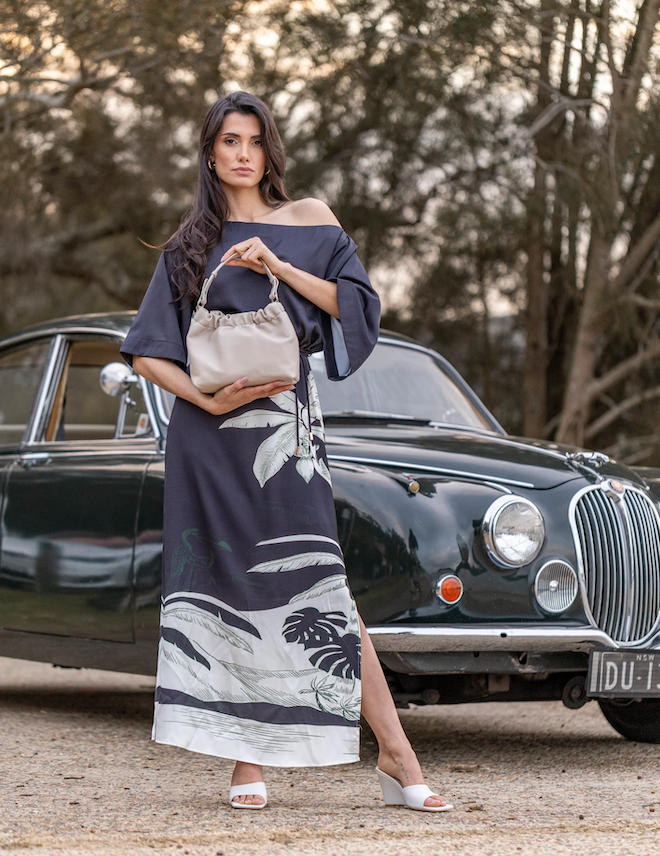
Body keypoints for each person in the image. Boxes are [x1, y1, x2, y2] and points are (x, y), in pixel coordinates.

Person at [121, 91, 452, 813]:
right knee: (233, 589)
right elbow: (147, 352)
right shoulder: (189, 244)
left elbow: (356, 307)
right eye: (229, 141)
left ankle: (396, 753)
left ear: (269, 149)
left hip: (288, 434)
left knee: (319, 584)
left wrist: (277, 262)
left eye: (254, 140)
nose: (243, 153)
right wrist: (207, 401)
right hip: (210, 438)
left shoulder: (311, 220)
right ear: (210, 153)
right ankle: (248, 759)